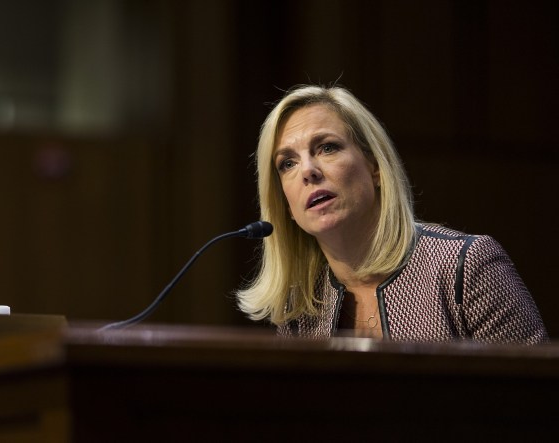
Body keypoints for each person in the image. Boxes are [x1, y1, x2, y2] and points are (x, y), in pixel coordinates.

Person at [235, 84, 548, 344]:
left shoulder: (464, 267)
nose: (308, 171)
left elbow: (534, 400)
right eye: (287, 163)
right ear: (285, 205)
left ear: (375, 168)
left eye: (327, 147)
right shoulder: (300, 309)